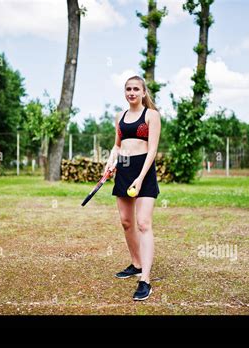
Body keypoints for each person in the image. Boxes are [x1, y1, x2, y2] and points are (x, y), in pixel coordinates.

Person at [104, 75, 161, 301]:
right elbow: (117, 146)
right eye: (128, 89)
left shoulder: (152, 115)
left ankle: (144, 279)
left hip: (143, 170)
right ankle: (136, 264)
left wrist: (139, 178)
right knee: (127, 223)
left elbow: (153, 150)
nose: (132, 92)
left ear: (143, 93)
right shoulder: (121, 116)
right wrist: (110, 163)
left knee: (143, 223)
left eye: (136, 89)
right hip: (124, 169)